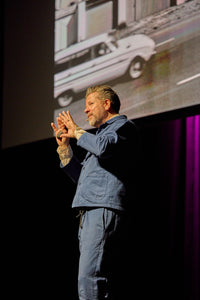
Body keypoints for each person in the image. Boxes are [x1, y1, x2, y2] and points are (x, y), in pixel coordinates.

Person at [51, 85, 139, 300]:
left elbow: (103, 148)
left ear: (106, 104)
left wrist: (78, 131)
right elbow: (83, 178)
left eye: (90, 104)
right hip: (89, 212)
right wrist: (65, 149)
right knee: (96, 279)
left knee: (89, 278)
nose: (86, 110)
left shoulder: (124, 127)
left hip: (102, 209)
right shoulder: (99, 136)